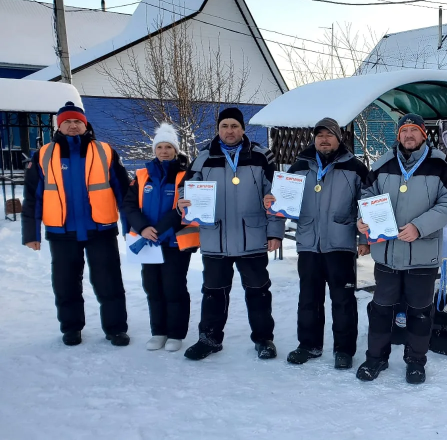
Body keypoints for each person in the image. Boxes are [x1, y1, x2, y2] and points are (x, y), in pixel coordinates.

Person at [356, 113, 447, 384]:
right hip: (387, 255)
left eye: (414, 130)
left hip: (423, 255)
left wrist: (419, 227)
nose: (409, 135)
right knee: (381, 309)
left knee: (420, 312)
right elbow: (366, 196)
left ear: (423, 135)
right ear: (398, 135)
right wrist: (363, 220)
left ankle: (415, 362)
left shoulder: (439, 164)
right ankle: (375, 358)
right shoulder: (383, 164)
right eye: (404, 131)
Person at [178, 107, 285, 361]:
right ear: (218, 129)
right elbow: (185, 188)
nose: (230, 131)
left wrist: (275, 233)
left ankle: (264, 339)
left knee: (258, 291)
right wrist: (183, 202)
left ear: (243, 129)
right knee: (213, 292)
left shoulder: (262, 156)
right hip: (216, 238)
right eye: (224, 126)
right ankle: (209, 339)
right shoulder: (204, 157)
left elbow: (277, 196)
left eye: (234, 126)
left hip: (253, 237)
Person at [21, 101, 131, 346]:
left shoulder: (105, 151)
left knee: (109, 282)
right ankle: (71, 328)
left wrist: (130, 227)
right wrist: (31, 233)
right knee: (66, 283)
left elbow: (124, 192)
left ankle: (116, 329)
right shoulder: (43, 155)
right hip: (62, 232)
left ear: (85, 124)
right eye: (67, 122)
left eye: (77, 122)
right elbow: (33, 197)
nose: (73, 126)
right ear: (59, 126)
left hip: (100, 230)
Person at [268, 117, 369, 370]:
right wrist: (275, 229)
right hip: (308, 245)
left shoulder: (355, 168)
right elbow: (281, 205)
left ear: (339, 139)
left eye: (329, 135)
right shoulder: (299, 167)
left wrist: (365, 239)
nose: (324, 140)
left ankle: (344, 350)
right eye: (320, 135)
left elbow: (367, 205)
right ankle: (309, 345)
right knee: (308, 299)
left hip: (340, 244)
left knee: (343, 300)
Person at [122, 123, 199, 352]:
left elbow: (186, 208)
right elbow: (129, 205)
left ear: (176, 150)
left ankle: (175, 334)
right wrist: (143, 228)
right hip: (149, 243)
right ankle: (158, 332)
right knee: (152, 288)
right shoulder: (142, 175)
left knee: (174, 288)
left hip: (175, 242)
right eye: (160, 147)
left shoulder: (186, 175)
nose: (164, 151)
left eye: (168, 147)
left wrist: (159, 229)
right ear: (154, 150)